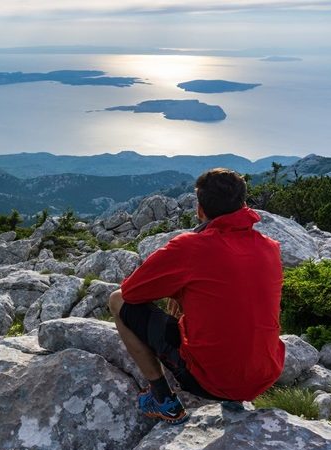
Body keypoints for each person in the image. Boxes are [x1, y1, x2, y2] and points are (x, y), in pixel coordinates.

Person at [108, 168, 285, 424]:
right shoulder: (269, 247)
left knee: (117, 300)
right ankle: (233, 393)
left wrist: (174, 287)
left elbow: (132, 292)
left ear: (200, 210)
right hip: (264, 374)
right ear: (243, 205)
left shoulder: (190, 247)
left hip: (212, 382)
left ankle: (163, 400)